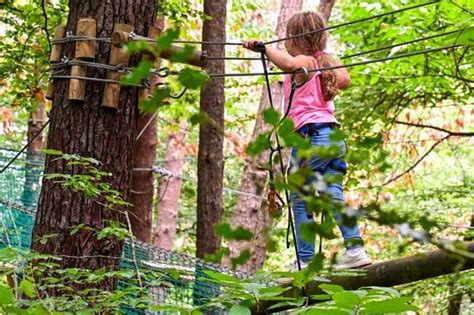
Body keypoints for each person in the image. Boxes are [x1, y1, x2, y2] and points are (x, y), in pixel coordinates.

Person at [243, 11, 372, 270]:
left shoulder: (304, 61)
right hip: (333, 138)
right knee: (333, 193)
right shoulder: (325, 61)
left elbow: (289, 65)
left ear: (295, 39)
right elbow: (345, 81)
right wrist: (327, 66)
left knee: (299, 196)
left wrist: (265, 49)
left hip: (311, 137)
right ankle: (355, 249)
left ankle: (305, 258)